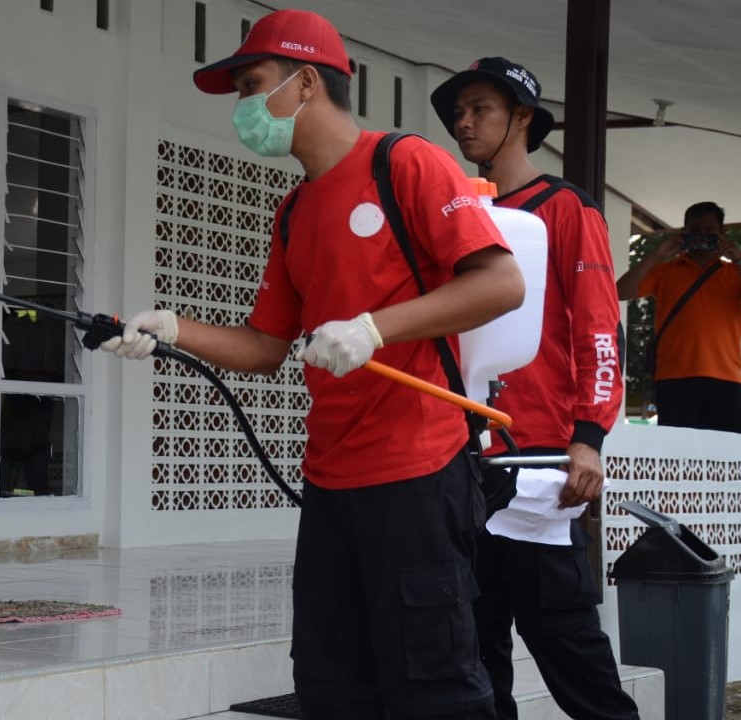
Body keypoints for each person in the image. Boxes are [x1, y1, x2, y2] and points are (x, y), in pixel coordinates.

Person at [103, 9, 524, 719]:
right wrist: (172, 329)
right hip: (331, 479)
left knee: (434, 686)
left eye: (251, 84)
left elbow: (499, 284)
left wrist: (372, 328)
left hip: (417, 470)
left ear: (304, 83)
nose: (243, 106)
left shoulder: (404, 161)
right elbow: (265, 347)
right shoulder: (294, 212)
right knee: (331, 683)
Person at [430, 57, 640, 720]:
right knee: (472, 648)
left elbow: (600, 333)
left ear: (522, 118)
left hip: (541, 460)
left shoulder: (565, 208)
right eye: (456, 112)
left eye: (480, 109)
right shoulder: (459, 213)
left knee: (565, 643)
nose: (463, 123)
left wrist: (588, 439)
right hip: (461, 460)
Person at [616, 201, 741, 433]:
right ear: (684, 232)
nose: (701, 236)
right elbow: (620, 291)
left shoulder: (734, 274)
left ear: (721, 233)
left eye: (709, 231)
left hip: (727, 378)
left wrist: (739, 260)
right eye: (694, 231)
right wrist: (656, 254)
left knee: (726, 458)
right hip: (674, 378)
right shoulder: (665, 270)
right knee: (678, 458)